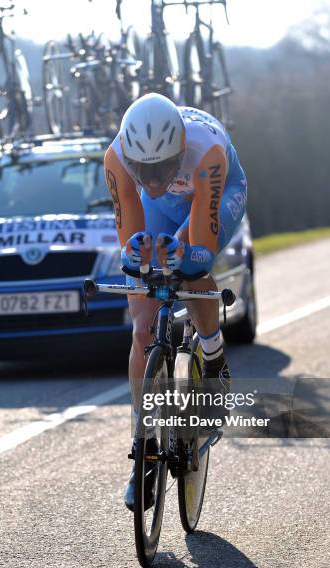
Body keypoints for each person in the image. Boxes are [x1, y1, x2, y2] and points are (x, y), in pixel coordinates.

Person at [104, 93, 247, 510]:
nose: (152, 178)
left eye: (163, 168)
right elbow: (131, 228)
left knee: (192, 271)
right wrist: (137, 256)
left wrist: (183, 253)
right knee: (142, 321)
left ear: (180, 150)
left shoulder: (208, 153)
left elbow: (199, 249)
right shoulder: (116, 157)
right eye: (143, 170)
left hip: (215, 190)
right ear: (130, 158)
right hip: (163, 208)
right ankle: (142, 449)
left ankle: (213, 352)